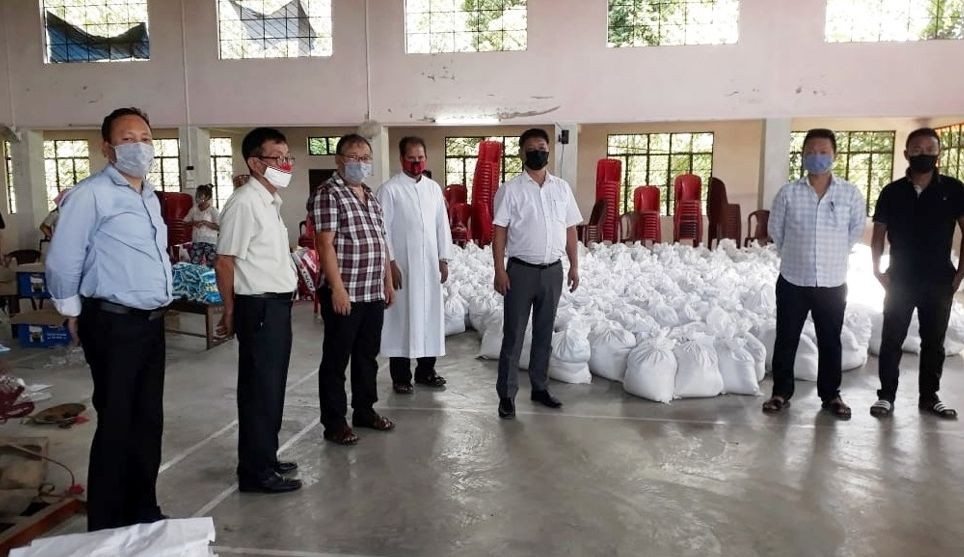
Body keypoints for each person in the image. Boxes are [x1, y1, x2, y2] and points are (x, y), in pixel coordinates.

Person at [45, 107, 173, 531]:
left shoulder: (150, 196)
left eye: (145, 137)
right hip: (114, 322)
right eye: (127, 138)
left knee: (148, 421)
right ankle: (106, 521)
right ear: (107, 148)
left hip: (152, 323)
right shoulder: (92, 194)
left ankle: (144, 508)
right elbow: (64, 258)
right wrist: (72, 311)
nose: (139, 146)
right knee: (117, 420)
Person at [215, 128, 302, 493]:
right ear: (254, 163)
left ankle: (265, 456)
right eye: (275, 157)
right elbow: (224, 262)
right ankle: (254, 472)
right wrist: (231, 311)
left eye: (287, 157)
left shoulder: (271, 201)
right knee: (258, 390)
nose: (284, 164)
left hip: (276, 306)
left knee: (272, 388)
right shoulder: (245, 203)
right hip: (259, 306)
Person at [762, 128, 865, 419]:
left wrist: (831, 255)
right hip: (794, 278)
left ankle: (831, 395)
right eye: (811, 152)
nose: (816, 157)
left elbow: (855, 230)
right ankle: (781, 392)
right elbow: (776, 232)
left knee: (830, 339)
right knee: (787, 338)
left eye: (823, 152)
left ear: (834, 155)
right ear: (803, 155)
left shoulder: (849, 194)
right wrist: (800, 254)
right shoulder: (789, 193)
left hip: (832, 282)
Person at [870, 127, 964, 419]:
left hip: (939, 280)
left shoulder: (954, 189)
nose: (923, 154)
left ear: (939, 153)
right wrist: (877, 270)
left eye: (929, 149)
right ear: (906, 153)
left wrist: (960, 274)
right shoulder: (892, 192)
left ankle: (929, 396)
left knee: (934, 341)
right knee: (892, 338)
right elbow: (879, 233)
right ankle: (886, 396)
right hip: (900, 278)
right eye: (917, 149)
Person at [492, 128, 582, 419]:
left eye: (542, 147)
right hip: (520, 272)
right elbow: (500, 232)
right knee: (514, 334)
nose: (538, 152)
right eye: (531, 148)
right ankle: (507, 395)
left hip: (552, 271)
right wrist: (499, 270)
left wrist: (574, 265)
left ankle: (540, 387)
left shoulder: (561, 188)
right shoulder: (510, 190)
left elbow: (570, 228)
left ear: (548, 151)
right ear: (521, 153)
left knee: (545, 332)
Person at [313, 133, 395, 445]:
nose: (359, 164)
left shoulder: (370, 196)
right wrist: (337, 289)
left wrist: (387, 282)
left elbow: (381, 241)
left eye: (365, 158)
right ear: (338, 160)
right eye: (353, 157)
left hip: (372, 291)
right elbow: (325, 244)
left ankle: (364, 410)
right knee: (336, 359)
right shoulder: (329, 193)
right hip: (346, 292)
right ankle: (334, 422)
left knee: (367, 356)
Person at [377, 136, 452, 394]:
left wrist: (444, 258)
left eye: (421, 158)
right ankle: (400, 376)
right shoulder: (390, 190)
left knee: (429, 317)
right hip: (403, 268)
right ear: (401, 159)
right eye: (412, 158)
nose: (417, 162)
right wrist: (391, 264)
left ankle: (426, 371)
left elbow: (442, 225)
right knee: (402, 319)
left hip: (429, 265)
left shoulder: (433, 189)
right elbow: (382, 229)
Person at [184, 184, 220, 266]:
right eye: (197, 195)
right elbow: (185, 223)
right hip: (197, 241)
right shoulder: (194, 210)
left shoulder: (213, 210)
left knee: (212, 266)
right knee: (194, 264)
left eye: (200, 195)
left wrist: (206, 223)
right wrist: (194, 223)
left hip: (210, 242)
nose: (197, 197)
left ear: (207, 197)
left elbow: (219, 227)